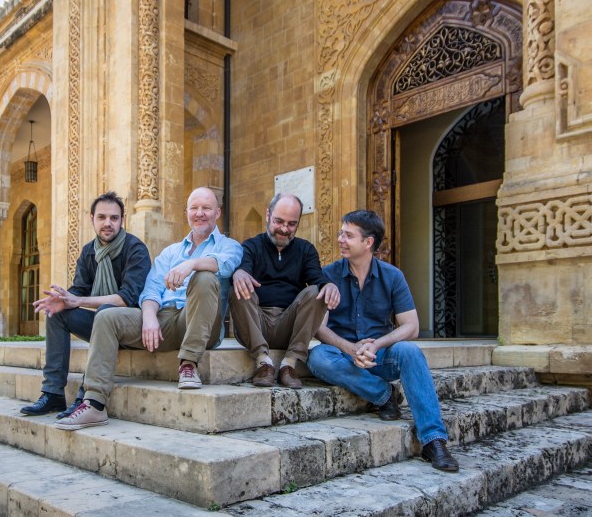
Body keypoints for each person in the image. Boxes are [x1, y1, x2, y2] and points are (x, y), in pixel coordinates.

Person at [54, 187, 242, 430]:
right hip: (166, 319)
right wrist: (150, 316)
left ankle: (188, 364)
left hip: (201, 322)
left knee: (204, 277)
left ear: (217, 212)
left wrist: (192, 264)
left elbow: (225, 265)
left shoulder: (230, 246)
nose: (199, 213)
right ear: (186, 212)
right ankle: (94, 404)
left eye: (206, 208)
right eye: (194, 208)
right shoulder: (171, 252)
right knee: (107, 316)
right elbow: (151, 289)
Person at [307, 209, 459, 472]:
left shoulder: (392, 276)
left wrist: (376, 344)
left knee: (410, 351)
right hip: (343, 355)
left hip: (380, 355)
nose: (340, 239)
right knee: (318, 357)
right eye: (341, 233)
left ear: (368, 242)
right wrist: (351, 348)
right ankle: (384, 394)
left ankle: (434, 441)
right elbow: (318, 329)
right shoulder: (328, 275)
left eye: (348, 235)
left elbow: (411, 326)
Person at [19, 191, 151, 417]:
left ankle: (85, 396)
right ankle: (53, 393)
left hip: (131, 327)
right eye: (102, 217)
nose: (108, 223)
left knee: (107, 311)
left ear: (122, 219)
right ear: (92, 219)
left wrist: (78, 301)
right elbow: (79, 289)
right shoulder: (89, 251)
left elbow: (127, 298)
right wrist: (63, 300)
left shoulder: (135, 249)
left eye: (114, 218)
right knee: (57, 314)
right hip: (102, 324)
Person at [230, 193, 340, 389]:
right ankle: (263, 362)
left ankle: (289, 364)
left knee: (317, 292)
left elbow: (317, 277)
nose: (284, 229)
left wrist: (328, 285)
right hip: (256, 323)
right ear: (268, 215)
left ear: (298, 223)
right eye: (278, 221)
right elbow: (244, 267)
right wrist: (239, 273)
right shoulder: (251, 246)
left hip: (289, 325)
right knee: (239, 286)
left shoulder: (306, 250)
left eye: (291, 224)